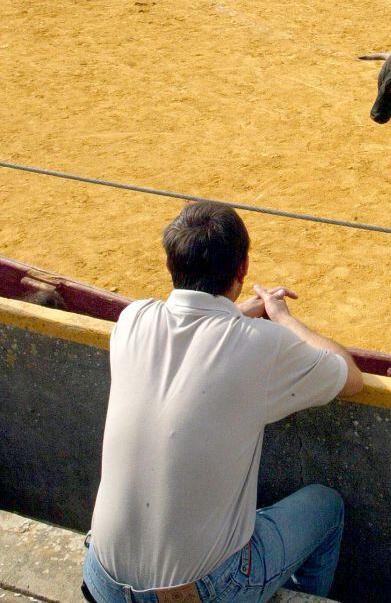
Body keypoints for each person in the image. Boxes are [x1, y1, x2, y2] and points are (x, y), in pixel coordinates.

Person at [82, 201, 364, 603]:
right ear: (243, 268)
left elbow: (194, 343)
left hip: (103, 582)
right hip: (201, 593)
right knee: (326, 506)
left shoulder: (133, 319)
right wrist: (281, 317)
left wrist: (234, 313)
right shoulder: (262, 346)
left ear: (169, 263)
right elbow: (349, 377)